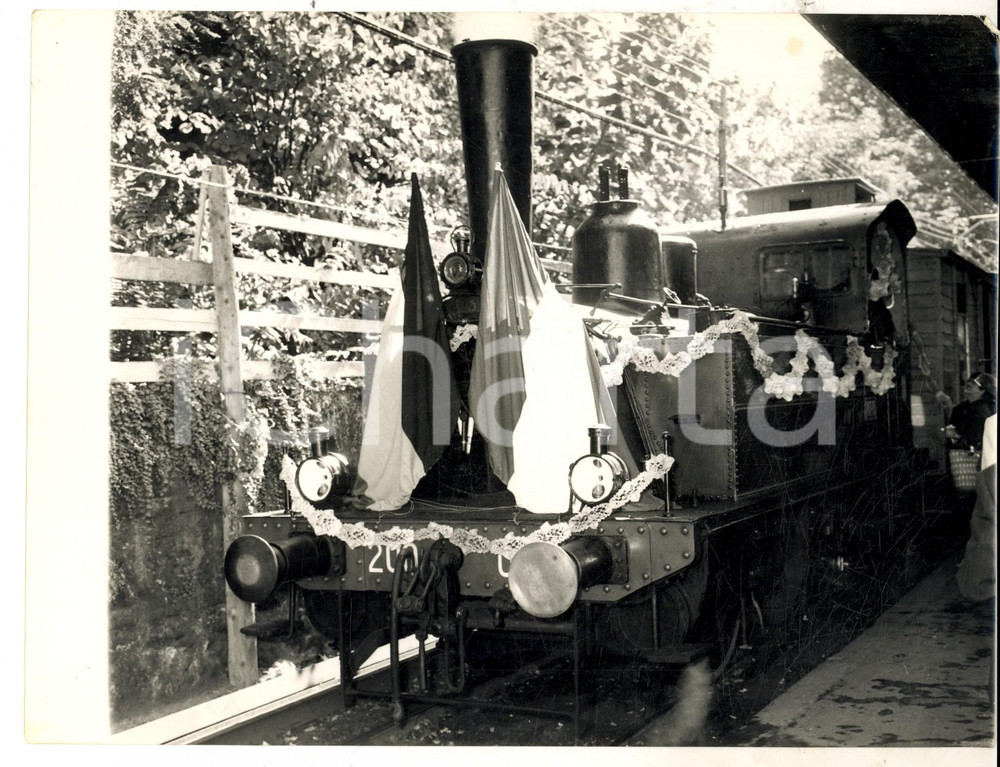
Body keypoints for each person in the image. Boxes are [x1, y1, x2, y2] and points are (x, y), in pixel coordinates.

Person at [944, 372, 996, 450]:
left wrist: (956, 435)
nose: (969, 383)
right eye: (969, 380)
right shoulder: (961, 408)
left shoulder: (982, 410)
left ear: (982, 390)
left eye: (974, 382)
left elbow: (975, 439)